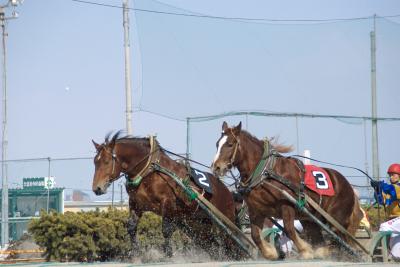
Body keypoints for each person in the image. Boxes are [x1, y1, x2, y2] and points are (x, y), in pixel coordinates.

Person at [370, 163, 400, 261]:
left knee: (384, 226)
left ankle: (373, 251)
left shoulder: (397, 187)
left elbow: (390, 189)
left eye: (393, 174)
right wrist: (377, 190)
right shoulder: (390, 189)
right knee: (396, 255)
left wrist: (380, 184)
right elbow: (380, 201)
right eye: (390, 174)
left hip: (397, 220)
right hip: (395, 223)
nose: (391, 177)